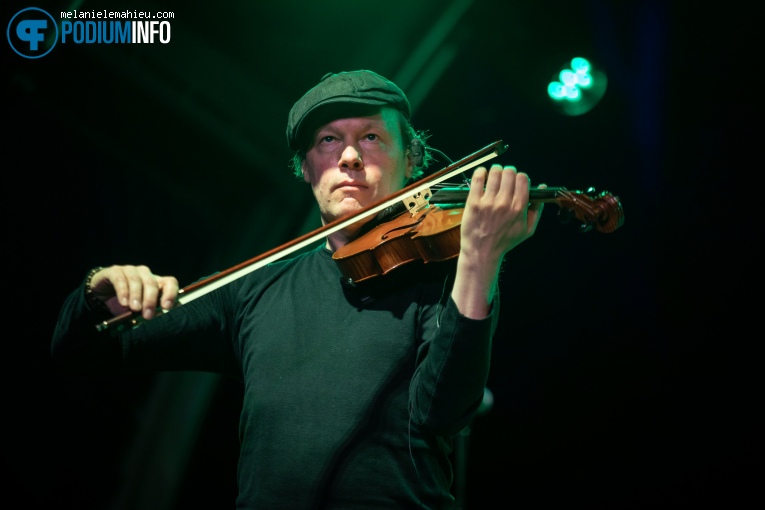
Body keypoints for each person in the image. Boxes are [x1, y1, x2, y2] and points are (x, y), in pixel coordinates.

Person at [52, 69, 544, 509]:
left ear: (411, 159)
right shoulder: (254, 289)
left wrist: (480, 260)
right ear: (306, 169)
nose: (350, 156)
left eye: (371, 137)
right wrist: (100, 290)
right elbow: (84, 348)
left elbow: (445, 413)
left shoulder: (444, 277)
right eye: (329, 141)